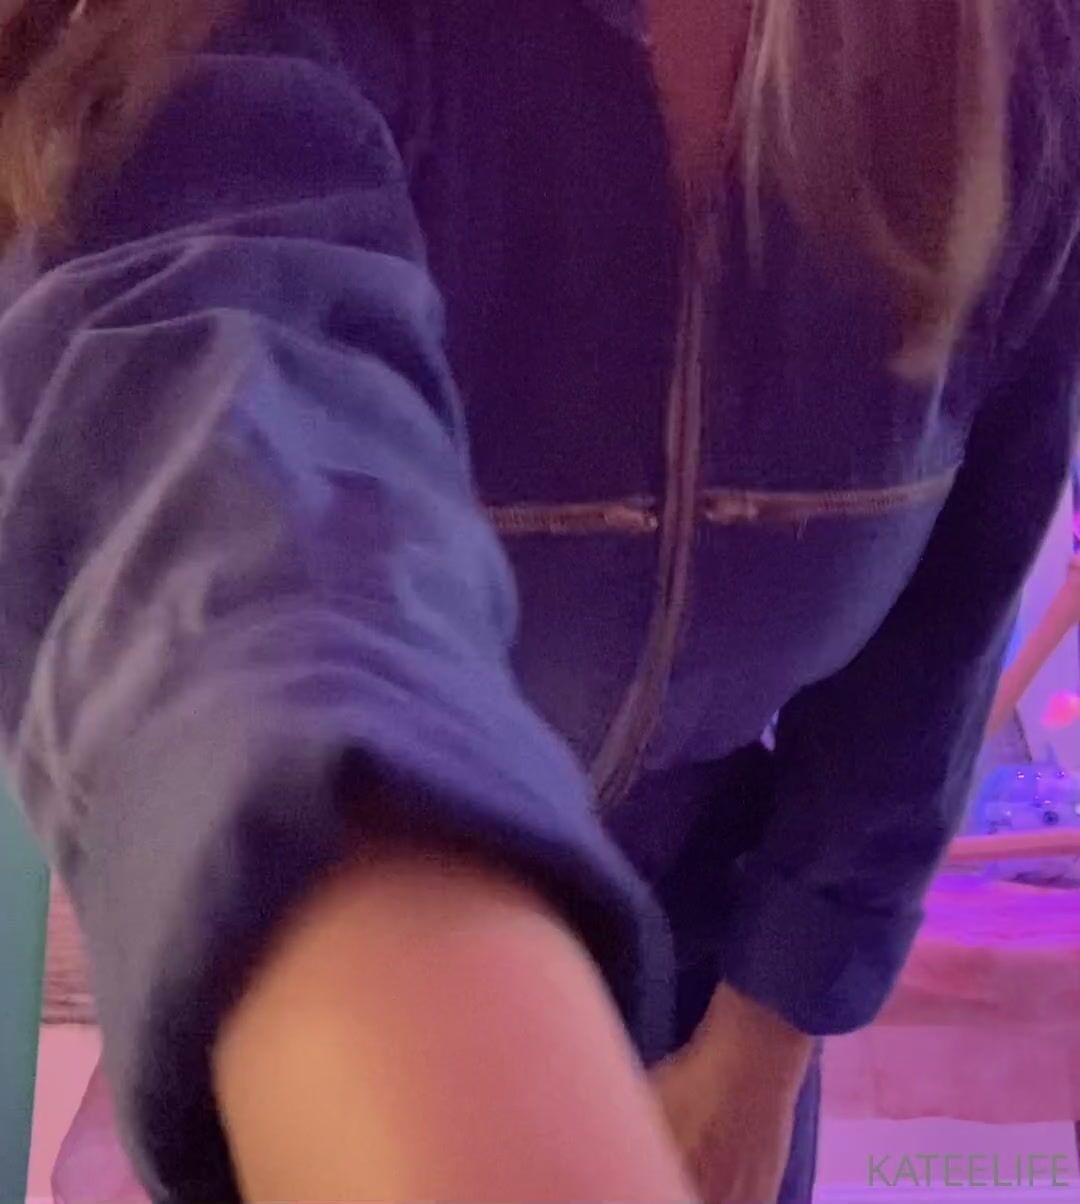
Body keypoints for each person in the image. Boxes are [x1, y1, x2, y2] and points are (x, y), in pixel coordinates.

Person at [2, 0, 1078, 1200]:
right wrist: (358, 946)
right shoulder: (254, 44)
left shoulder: (1008, 53)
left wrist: (765, 1042)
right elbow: (216, 465)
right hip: (332, 951)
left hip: (719, 951)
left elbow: (943, 624)